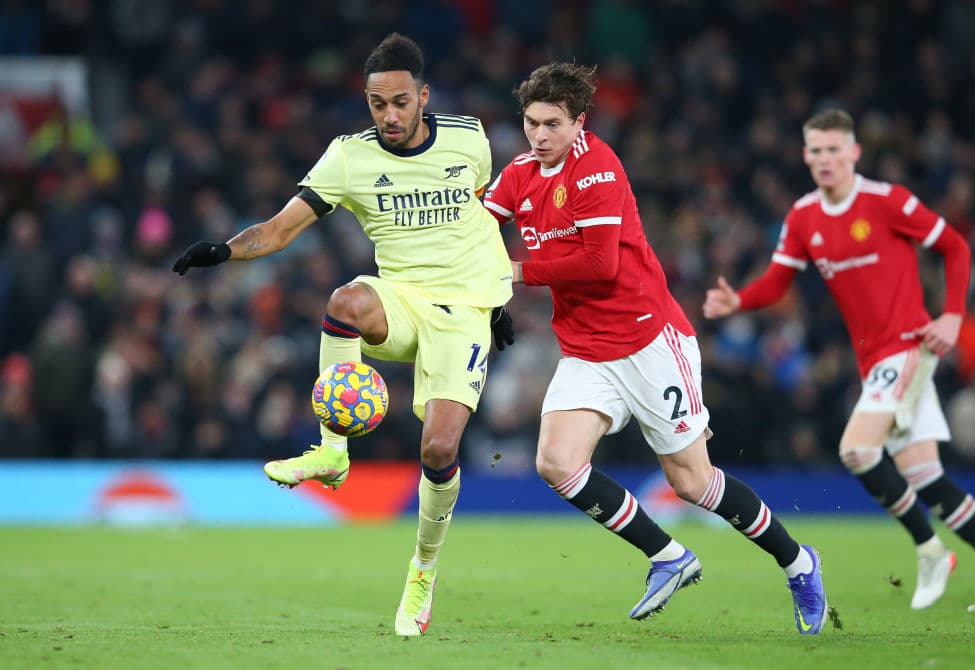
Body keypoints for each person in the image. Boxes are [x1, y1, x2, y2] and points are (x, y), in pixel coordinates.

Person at [172, 33, 515, 636]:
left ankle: (422, 573)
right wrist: (223, 251)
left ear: (423, 96)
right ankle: (334, 449)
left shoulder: (470, 138)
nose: (389, 116)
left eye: (401, 103)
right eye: (378, 104)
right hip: (401, 300)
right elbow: (280, 230)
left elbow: (483, 213)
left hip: (464, 313)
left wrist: (497, 297)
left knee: (438, 450)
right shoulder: (348, 156)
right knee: (346, 300)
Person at [483, 62, 828, 634]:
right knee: (556, 463)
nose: (538, 135)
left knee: (691, 483)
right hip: (587, 351)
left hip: (648, 342)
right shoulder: (520, 172)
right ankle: (667, 556)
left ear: (578, 123)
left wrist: (514, 272)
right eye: (530, 123)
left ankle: (798, 562)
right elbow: (476, 228)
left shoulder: (598, 168)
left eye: (551, 123)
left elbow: (599, 263)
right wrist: (481, 292)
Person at [703, 108, 975, 611]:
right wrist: (738, 301)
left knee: (857, 450)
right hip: (873, 359)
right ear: (806, 156)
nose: (826, 159)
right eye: (817, 150)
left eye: (835, 149)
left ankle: (930, 548)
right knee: (925, 475)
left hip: (909, 345)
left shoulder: (886, 200)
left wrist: (954, 317)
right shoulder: (804, 216)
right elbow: (778, 280)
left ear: (853, 152)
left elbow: (956, 247)